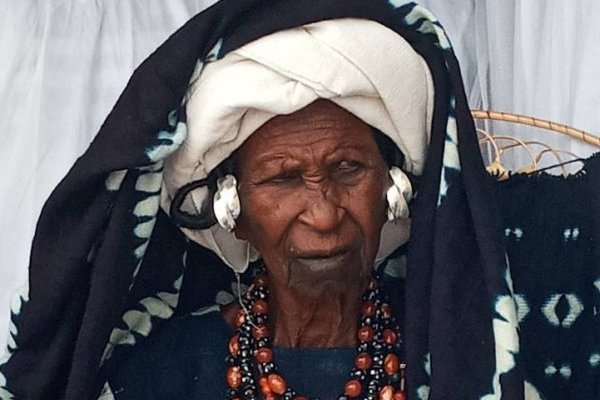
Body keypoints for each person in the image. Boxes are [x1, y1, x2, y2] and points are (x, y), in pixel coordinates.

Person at [0, 1, 522, 400]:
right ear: (232, 210)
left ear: (393, 190)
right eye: (283, 179)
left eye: (348, 169)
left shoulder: (459, 349)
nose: (324, 214)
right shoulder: (162, 373)